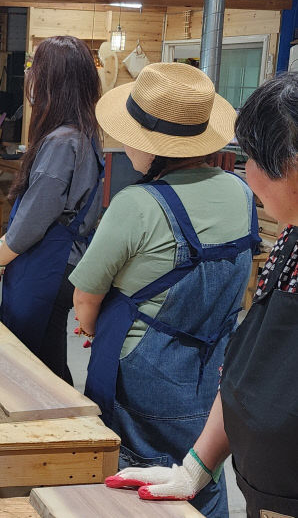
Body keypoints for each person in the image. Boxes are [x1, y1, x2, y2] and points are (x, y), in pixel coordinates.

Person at [69, 63, 260, 517]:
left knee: (135, 483)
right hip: (216, 366)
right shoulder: (241, 191)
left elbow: (85, 299)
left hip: (142, 372)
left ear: (153, 146)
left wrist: (90, 328)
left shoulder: (137, 204)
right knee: (200, 470)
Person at [104, 71, 298, 518]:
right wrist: (197, 465)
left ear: (291, 166)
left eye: (253, 158)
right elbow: (248, 367)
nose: (246, 173)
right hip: (265, 490)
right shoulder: (289, 240)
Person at [0, 36, 103, 384]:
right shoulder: (85, 134)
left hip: (47, 266)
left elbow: (35, 218)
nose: (29, 76)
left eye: (34, 68)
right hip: (61, 262)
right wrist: (2, 245)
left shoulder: (61, 142)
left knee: (24, 365)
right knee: (48, 358)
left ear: (52, 81)